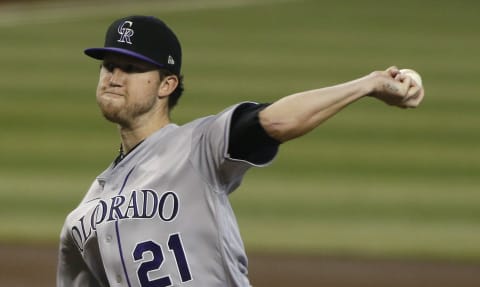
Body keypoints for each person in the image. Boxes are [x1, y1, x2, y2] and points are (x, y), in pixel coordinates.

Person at [57, 15, 424, 287]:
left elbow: (274, 122)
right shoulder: (83, 216)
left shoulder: (198, 146)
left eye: (132, 68)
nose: (114, 76)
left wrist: (369, 84)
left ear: (167, 84)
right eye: (109, 65)